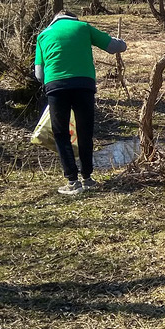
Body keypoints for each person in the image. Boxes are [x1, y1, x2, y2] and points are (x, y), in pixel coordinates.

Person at [35, 11, 127, 195]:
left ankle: (72, 181)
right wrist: (121, 41)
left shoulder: (43, 35)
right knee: (85, 131)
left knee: (61, 134)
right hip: (84, 85)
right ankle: (87, 178)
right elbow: (114, 47)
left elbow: (39, 74)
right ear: (74, 18)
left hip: (56, 86)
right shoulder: (83, 27)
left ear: (54, 20)